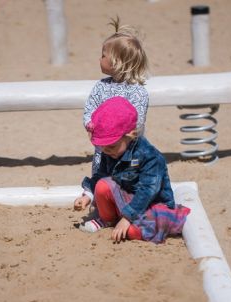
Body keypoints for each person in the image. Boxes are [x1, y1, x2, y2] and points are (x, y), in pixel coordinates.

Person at [74, 96, 190, 244]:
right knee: (102, 185)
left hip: (150, 203)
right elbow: (101, 175)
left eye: (111, 146)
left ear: (130, 135)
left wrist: (127, 218)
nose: (106, 150)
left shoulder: (149, 156)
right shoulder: (110, 152)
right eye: (102, 146)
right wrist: (87, 195)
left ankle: (126, 220)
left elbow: (148, 190)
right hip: (127, 198)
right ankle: (107, 220)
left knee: (133, 231)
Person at [83, 16, 149, 175]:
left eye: (103, 55)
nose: (100, 59)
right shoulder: (101, 86)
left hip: (128, 150)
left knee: (128, 181)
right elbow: (90, 107)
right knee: (101, 178)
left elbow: (137, 120)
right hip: (103, 149)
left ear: (116, 61)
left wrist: (119, 135)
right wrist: (89, 122)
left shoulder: (137, 92)